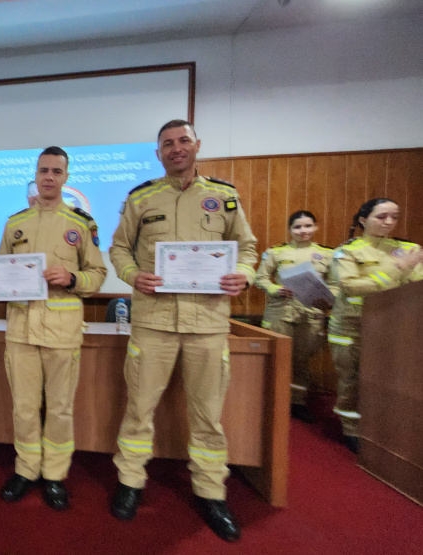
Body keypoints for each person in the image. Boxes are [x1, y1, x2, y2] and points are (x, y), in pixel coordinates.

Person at [108, 120, 257, 542]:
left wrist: (243, 274)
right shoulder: (141, 197)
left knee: (208, 415)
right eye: (168, 144)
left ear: (197, 146)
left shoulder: (223, 197)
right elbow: (119, 247)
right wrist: (133, 275)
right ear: (158, 153)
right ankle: (130, 482)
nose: (176, 149)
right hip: (153, 322)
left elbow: (246, 247)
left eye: (183, 141)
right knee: (139, 408)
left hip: (208, 322)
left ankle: (211, 492)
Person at [0, 147, 106, 510]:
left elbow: (97, 274)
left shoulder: (82, 224)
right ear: (35, 174)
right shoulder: (15, 222)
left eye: (56, 171)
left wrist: (72, 276)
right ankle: (26, 469)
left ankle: (55, 475)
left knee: (60, 408)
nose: (49, 177)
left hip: (63, 331)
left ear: (66, 177)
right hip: (20, 329)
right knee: (24, 407)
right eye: (43, 170)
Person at [327, 198, 423, 453]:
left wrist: (402, 269)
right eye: (381, 217)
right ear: (363, 220)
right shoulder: (348, 251)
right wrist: (394, 271)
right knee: (352, 378)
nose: (389, 222)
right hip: (352, 324)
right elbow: (350, 286)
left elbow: (416, 284)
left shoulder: (409, 250)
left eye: (395, 216)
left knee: (390, 379)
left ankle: (383, 427)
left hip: (395, 325)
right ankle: (352, 428)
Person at [255, 210, 333, 423]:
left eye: (308, 226)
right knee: (277, 357)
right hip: (281, 311)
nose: (303, 230)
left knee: (302, 360)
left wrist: (328, 297)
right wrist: (274, 289)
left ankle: (297, 402)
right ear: (290, 230)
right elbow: (260, 278)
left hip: (312, 313)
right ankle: (273, 402)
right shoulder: (276, 252)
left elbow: (335, 284)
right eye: (297, 227)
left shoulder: (328, 254)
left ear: (316, 227)